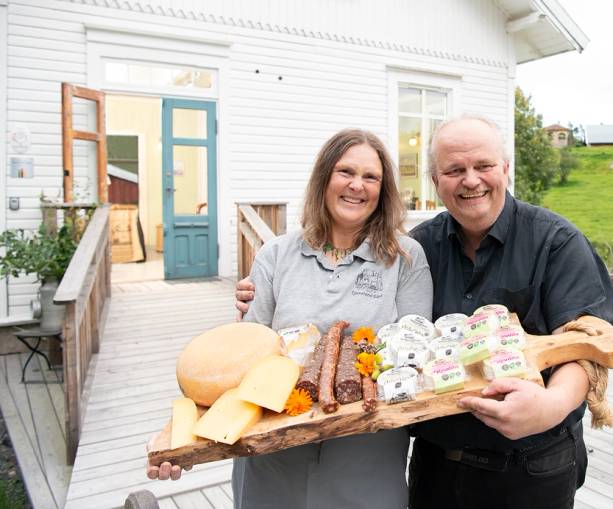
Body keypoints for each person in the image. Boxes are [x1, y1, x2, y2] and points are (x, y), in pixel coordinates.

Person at [236, 116, 613, 509]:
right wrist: (255, 298)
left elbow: (586, 339)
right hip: (437, 467)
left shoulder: (555, 241)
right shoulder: (422, 246)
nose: (470, 180)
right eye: (454, 170)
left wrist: (551, 407)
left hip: (529, 467)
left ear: (505, 168)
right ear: (437, 181)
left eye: (483, 166)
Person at [149, 128, 433, 509]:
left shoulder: (406, 259)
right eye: (345, 172)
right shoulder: (276, 255)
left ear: (383, 190)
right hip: (275, 457)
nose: (357, 186)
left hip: (366, 459)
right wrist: (183, 440)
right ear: (323, 179)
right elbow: (243, 364)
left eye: (371, 177)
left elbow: (413, 359)